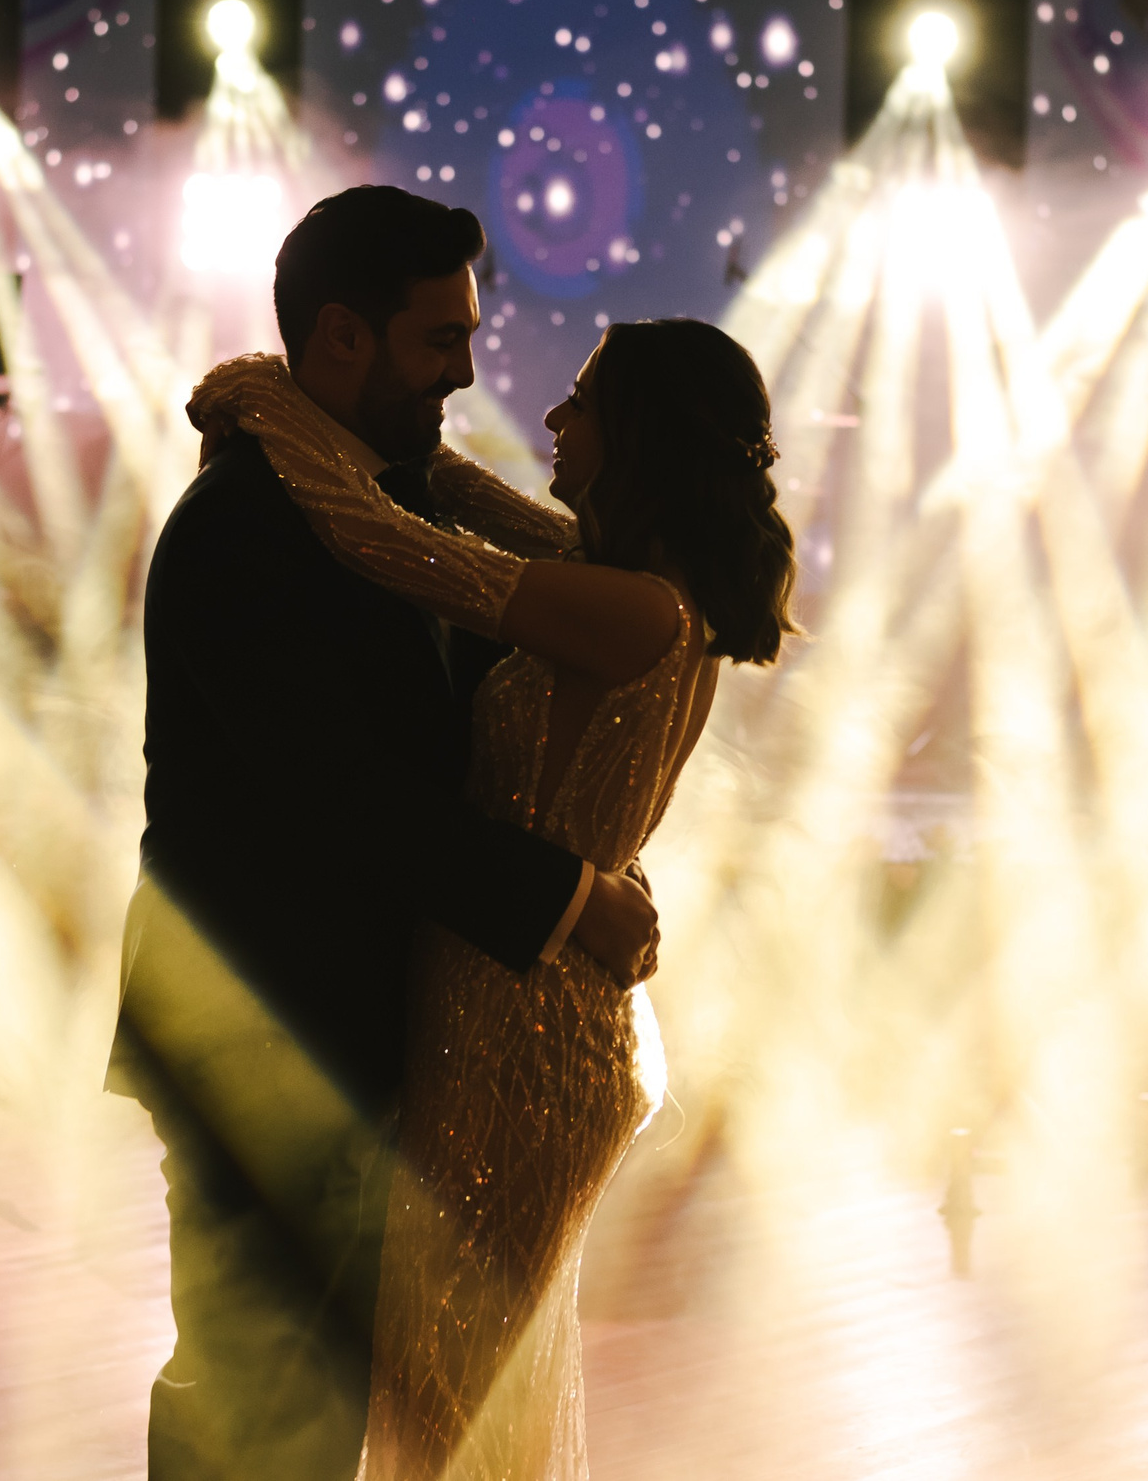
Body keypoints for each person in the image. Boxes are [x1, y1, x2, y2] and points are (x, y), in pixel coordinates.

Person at [106, 186, 664, 1481]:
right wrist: (568, 900)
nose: (466, 373)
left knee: (314, 1395)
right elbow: (340, 795)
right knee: (258, 1394)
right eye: (440, 341)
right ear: (342, 338)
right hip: (259, 1028)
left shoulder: (382, 510)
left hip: (350, 1027)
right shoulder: (248, 528)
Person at [187, 311, 796, 1480]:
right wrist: (351, 418)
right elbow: (456, 498)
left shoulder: (624, 606)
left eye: (580, 401)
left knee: (442, 1387)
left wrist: (270, 404)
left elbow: (385, 540)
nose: (554, 420)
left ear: (641, 433)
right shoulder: (645, 585)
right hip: (521, 995)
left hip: (521, 1031)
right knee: (448, 1378)